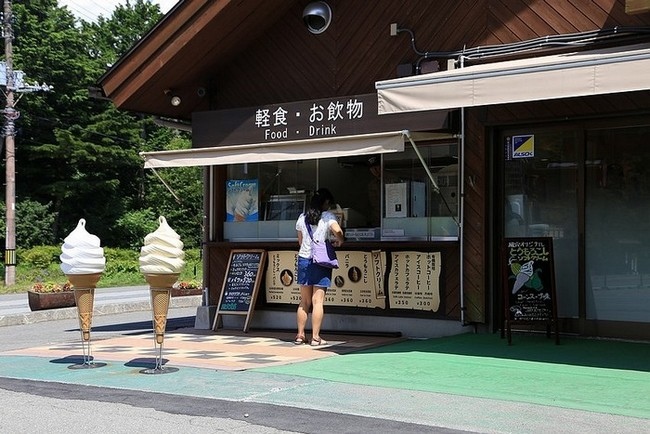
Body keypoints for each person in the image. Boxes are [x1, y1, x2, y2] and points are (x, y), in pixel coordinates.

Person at [294, 188, 345, 346]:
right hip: (320, 261)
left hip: (304, 260)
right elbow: (337, 230)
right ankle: (315, 337)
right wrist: (340, 240)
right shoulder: (328, 216)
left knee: (304, 301)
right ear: (326, 202)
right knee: (318, 301)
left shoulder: (302, 218)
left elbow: (300, 241)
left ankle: (300, 335)